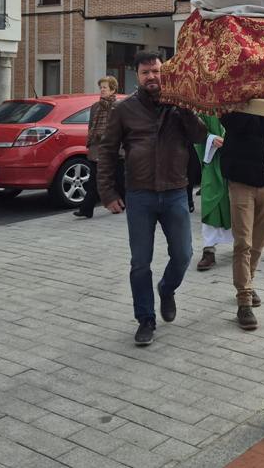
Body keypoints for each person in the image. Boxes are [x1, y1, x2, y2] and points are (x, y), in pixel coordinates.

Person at [97, 51, 208, 347]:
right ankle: (145, 319)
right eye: (146, 72)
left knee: (184, 254)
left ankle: (167, 289)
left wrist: (184, 108)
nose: (152, 77)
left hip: (175, 192)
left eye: (157, 71)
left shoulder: (179, 105)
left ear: (165, 73)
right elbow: (107, 151)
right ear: (137, 76)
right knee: (140, 263)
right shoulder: (125, 109)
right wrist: (107, 192)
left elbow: (199, 136)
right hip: (140, 195)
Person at [219, 111, 264, 330]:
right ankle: (244, 299)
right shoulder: (236, 95)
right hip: (241, 179)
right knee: (243, 242)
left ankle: (248, 284)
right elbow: (232, 122)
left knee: (259, 242)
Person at [75, 76, 119, 218]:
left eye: (105, 87)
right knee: (93, 179)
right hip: (96, 148)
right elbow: (90, 128)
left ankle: (120, 204)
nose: (102, 90)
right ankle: (86, 210)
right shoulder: (95, 107)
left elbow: (122, 129)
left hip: (113, 149)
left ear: (113, 90)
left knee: (118, 180)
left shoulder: (118, 107)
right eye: (101, 87)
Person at [194, 114, 232, 271]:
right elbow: (195, 128)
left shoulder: (238, 101)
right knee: (210, 202)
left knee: (239, 205)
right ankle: (208, 250)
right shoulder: (206, 102)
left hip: (235, 161)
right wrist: (210, 139)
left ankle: (244, 245)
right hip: (213, 160)